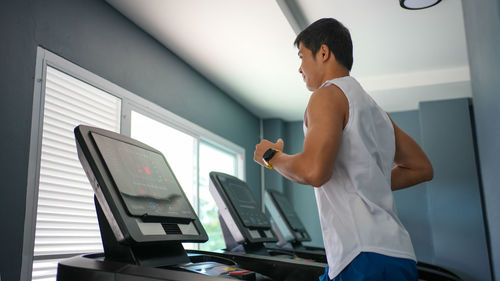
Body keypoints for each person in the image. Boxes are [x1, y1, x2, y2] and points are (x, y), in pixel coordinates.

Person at [253, 18, 433, 281]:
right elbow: (422, 168)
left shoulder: (326, 95)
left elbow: (314, 171)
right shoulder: (376, 111)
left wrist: (272, 157)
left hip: (361, 255)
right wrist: (370, 179)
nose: (300, 68)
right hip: (397, 254)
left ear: (323, 53)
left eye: (302, 56)